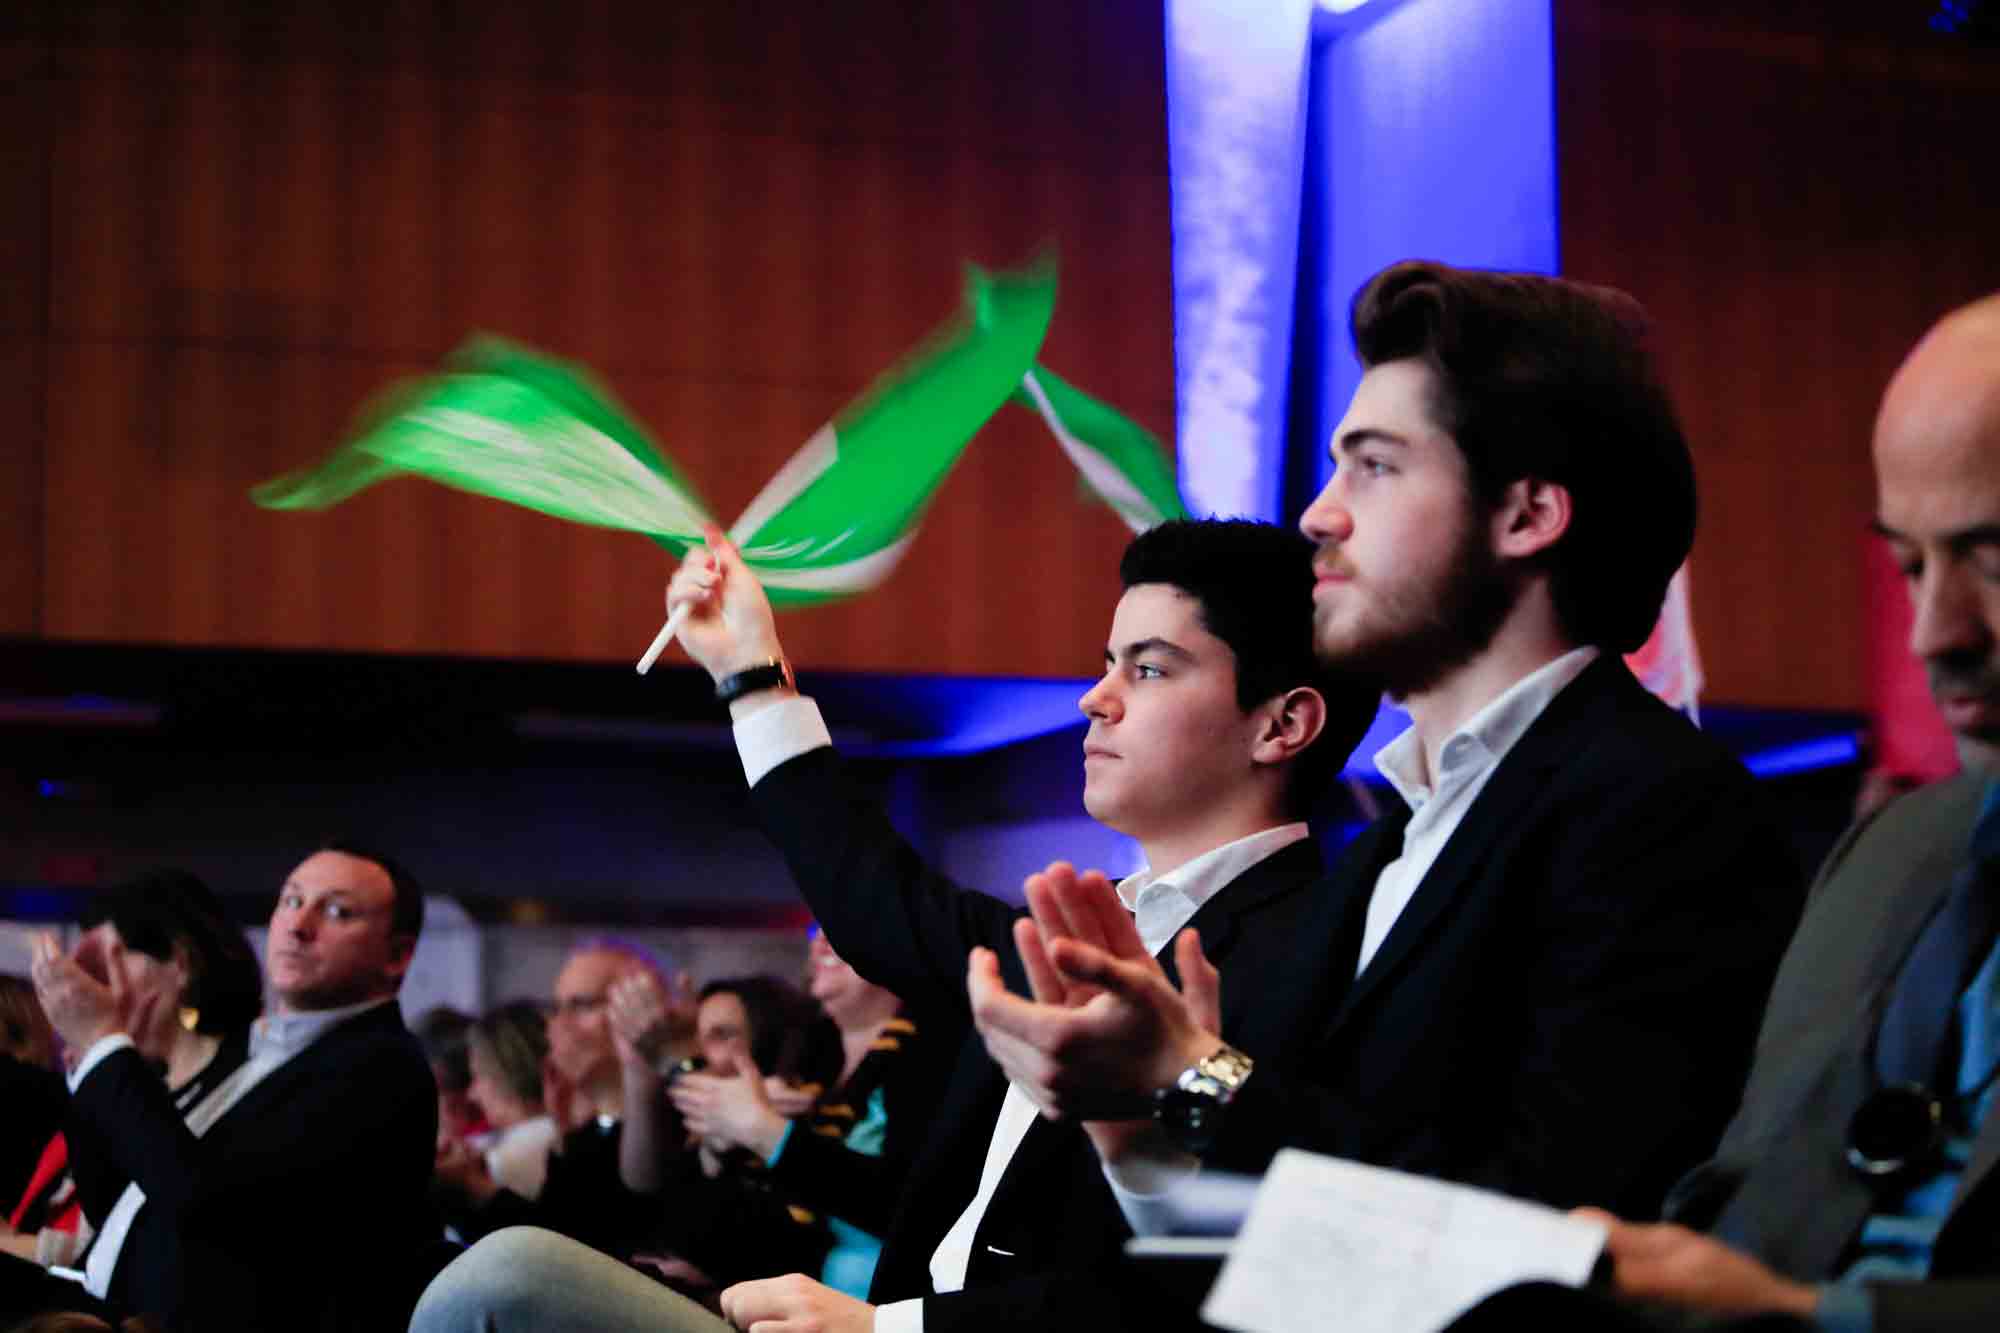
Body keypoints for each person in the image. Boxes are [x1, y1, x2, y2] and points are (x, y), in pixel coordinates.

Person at [959, 262, 1804, 1244]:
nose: (1318, 513)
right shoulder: (1383, 849)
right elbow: (1283, 1231)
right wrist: (1133, 1125)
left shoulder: (1661, 812)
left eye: (1373, 465)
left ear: (1525, 515)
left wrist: (1187, 1077)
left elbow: (1554, 1231)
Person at [409, 516, 1375, 1332]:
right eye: (1107, 663)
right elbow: (875, 898)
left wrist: (886, 1325)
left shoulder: (1320, 949)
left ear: (1280, 724)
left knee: (507, 1282)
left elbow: (1201, 1280)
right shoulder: (1078, 930)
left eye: (1151, 669)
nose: (1096, 696)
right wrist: (750, 671)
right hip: (866, 1314)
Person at [1449, 292, 2000, 1333]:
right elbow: (1730, 1204)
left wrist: (1808, 1314)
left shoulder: (1654, 812)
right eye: (1909, 565)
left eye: (1992, 560)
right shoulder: (1889, 857)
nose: (1933, 633)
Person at [13, 843, 437, 1332]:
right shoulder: (251, 1049)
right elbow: (115, 1196)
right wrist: (90, 1052)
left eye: (337, 912)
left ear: (397, 957)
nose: (299, 926)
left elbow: (211, 1207)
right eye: (292, 900)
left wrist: (105, 1043)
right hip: (109, 1307)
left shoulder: (380, 1069)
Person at [6, 871, 263, 1276]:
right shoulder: (140, 1085)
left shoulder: (251, 1076)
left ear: (180, 963)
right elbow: (103, 1218)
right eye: (86, 966)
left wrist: (100, 1038)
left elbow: (193, 1214)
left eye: (111, 958)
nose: (91, 984)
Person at [433, 940, 663, 1257]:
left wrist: (472, 1189)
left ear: (642, 1009)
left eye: (580, 1005)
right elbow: (556, 1237)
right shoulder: (587, 1129)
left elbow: (574, 1257)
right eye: (556, 1007)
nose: (556, 1023)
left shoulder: (670, 1121)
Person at [464, 1001, 560, 1201]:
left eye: (478, 1076)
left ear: (505, 1073)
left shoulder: (502, 1162)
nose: (472, 1094)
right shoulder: (566, 1136)